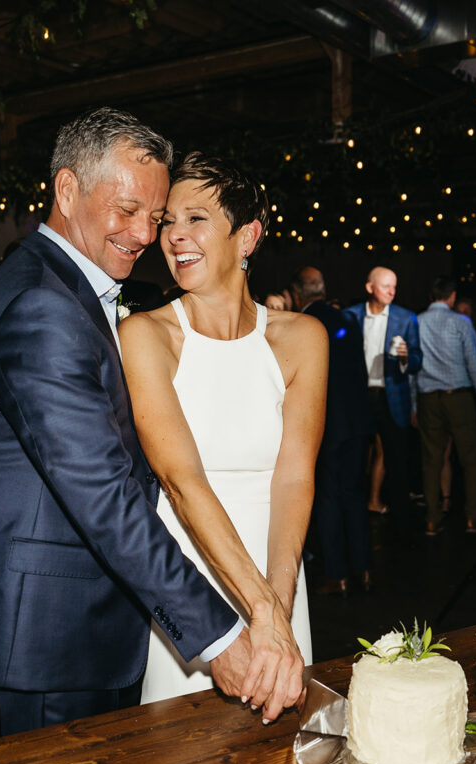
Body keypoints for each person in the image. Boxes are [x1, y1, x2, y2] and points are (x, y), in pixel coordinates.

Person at [0, 108, 301, 737]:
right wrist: (220, 639)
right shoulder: (43, 305)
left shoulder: (59, 284)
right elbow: (102, 495)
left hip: (63, 619)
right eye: (126, 210)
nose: (143, 233)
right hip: (51, 629)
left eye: (153, 217)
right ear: (67, 189)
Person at [120, 153, 325, 702]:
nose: (174, 236)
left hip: (279, 570)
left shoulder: (303, 338)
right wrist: (254, 610)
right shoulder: (146, 335)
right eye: (168, 222)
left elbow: (294, 477)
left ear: (248, 236)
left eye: (196, 219)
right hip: (189, 583)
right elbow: (182, 482)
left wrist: (277, 610)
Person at [290, 265, 373, 596]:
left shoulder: (304, 324)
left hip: (324, 424)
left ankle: (336, 575)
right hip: (356, 423)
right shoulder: (347, 320)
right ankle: (364, 570)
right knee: (354, 497)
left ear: (298, 293)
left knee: (326, 499)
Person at [343, 266, 422, 531]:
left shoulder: (406, 318)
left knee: (396, 460)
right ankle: (353, 518)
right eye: (386, 285)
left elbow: (417, 361)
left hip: (392, 398)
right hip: (358, 398)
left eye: (394, 286)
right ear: (369, 288)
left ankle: (403, 524)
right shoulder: (349, 317)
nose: (391, 291)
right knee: (354, 458)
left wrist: (405, 357)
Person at [414, 276, 476, 536]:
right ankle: (473, 518)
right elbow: (474, 364)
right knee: (470, 459)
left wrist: (414, 404)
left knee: (431, 460)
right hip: (458, 397)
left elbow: (412, 368)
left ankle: (431, 519)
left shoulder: (417, 321)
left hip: (428, 399)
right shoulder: (461, 322)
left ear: (430, 296)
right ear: (452, 297)